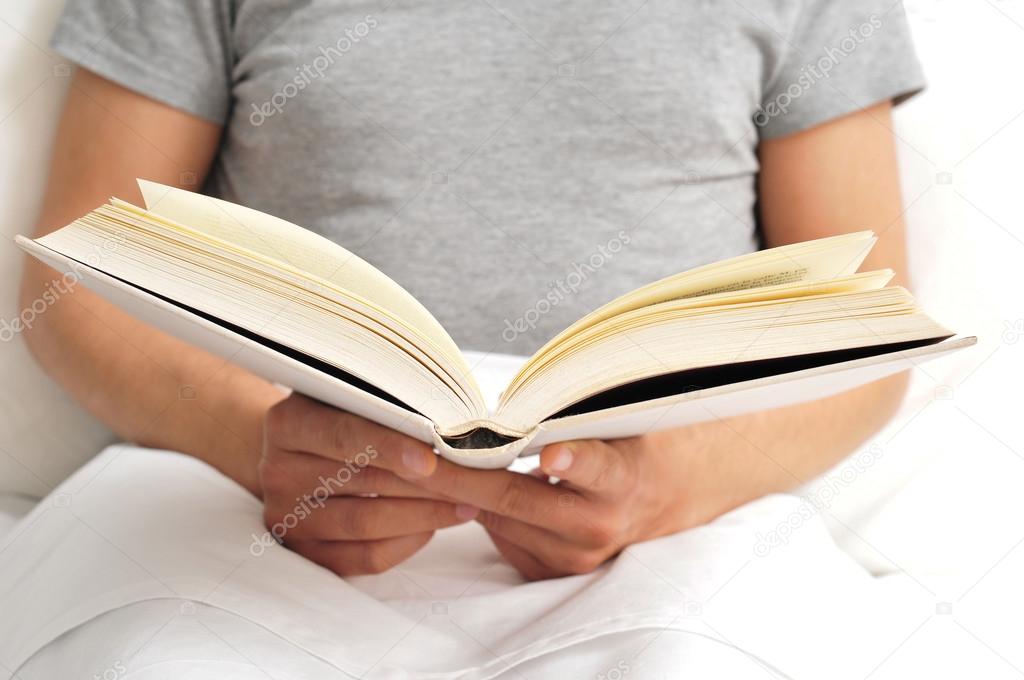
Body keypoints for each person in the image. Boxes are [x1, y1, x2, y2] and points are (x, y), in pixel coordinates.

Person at [20, 0, 922, 585]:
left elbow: (865, 326)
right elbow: (75, 281)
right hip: (252, 506)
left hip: (669, 535)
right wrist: (258, 444)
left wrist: (666, 486)